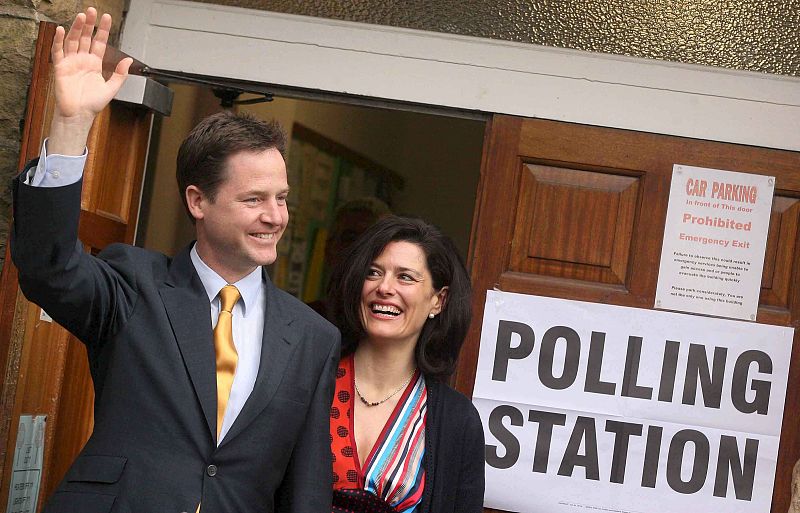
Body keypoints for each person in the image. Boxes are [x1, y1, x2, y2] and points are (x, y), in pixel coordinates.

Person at [11, 8, 339, 512]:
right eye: (254, 200)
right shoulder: (135, 285)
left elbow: (306, 490)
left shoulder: (314, 337)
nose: (275, 217)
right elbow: (48, 267)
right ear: (197, 202)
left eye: (282, 198)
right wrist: (72, 124)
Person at [326, 216, 485, 512]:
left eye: (405, 277)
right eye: (373, 273)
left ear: (439, 300)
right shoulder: (308, 383)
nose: (384, 288)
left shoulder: (457, 421)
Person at [308, 196, 391, 319]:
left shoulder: (396, 326)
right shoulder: (301, 321)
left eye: (372, 242)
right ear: (329, 249)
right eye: (350, 238)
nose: (359, 250)